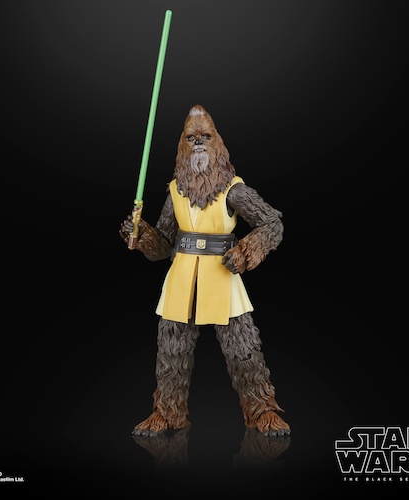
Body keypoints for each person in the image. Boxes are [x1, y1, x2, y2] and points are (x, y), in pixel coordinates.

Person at [120, 104, 290, 437]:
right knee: (171, 353)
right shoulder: (175, 190)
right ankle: (166, 413)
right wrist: (142, 236)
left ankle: (263, 412)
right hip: (182, 278)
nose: (198, 143)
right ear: (182, 145)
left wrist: (245, 252)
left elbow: (272, 223)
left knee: (244, 351)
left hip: (223, 276)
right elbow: (163, 247)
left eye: (205, 136)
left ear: (217, 142)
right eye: (191, 138)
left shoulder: (233, 189)